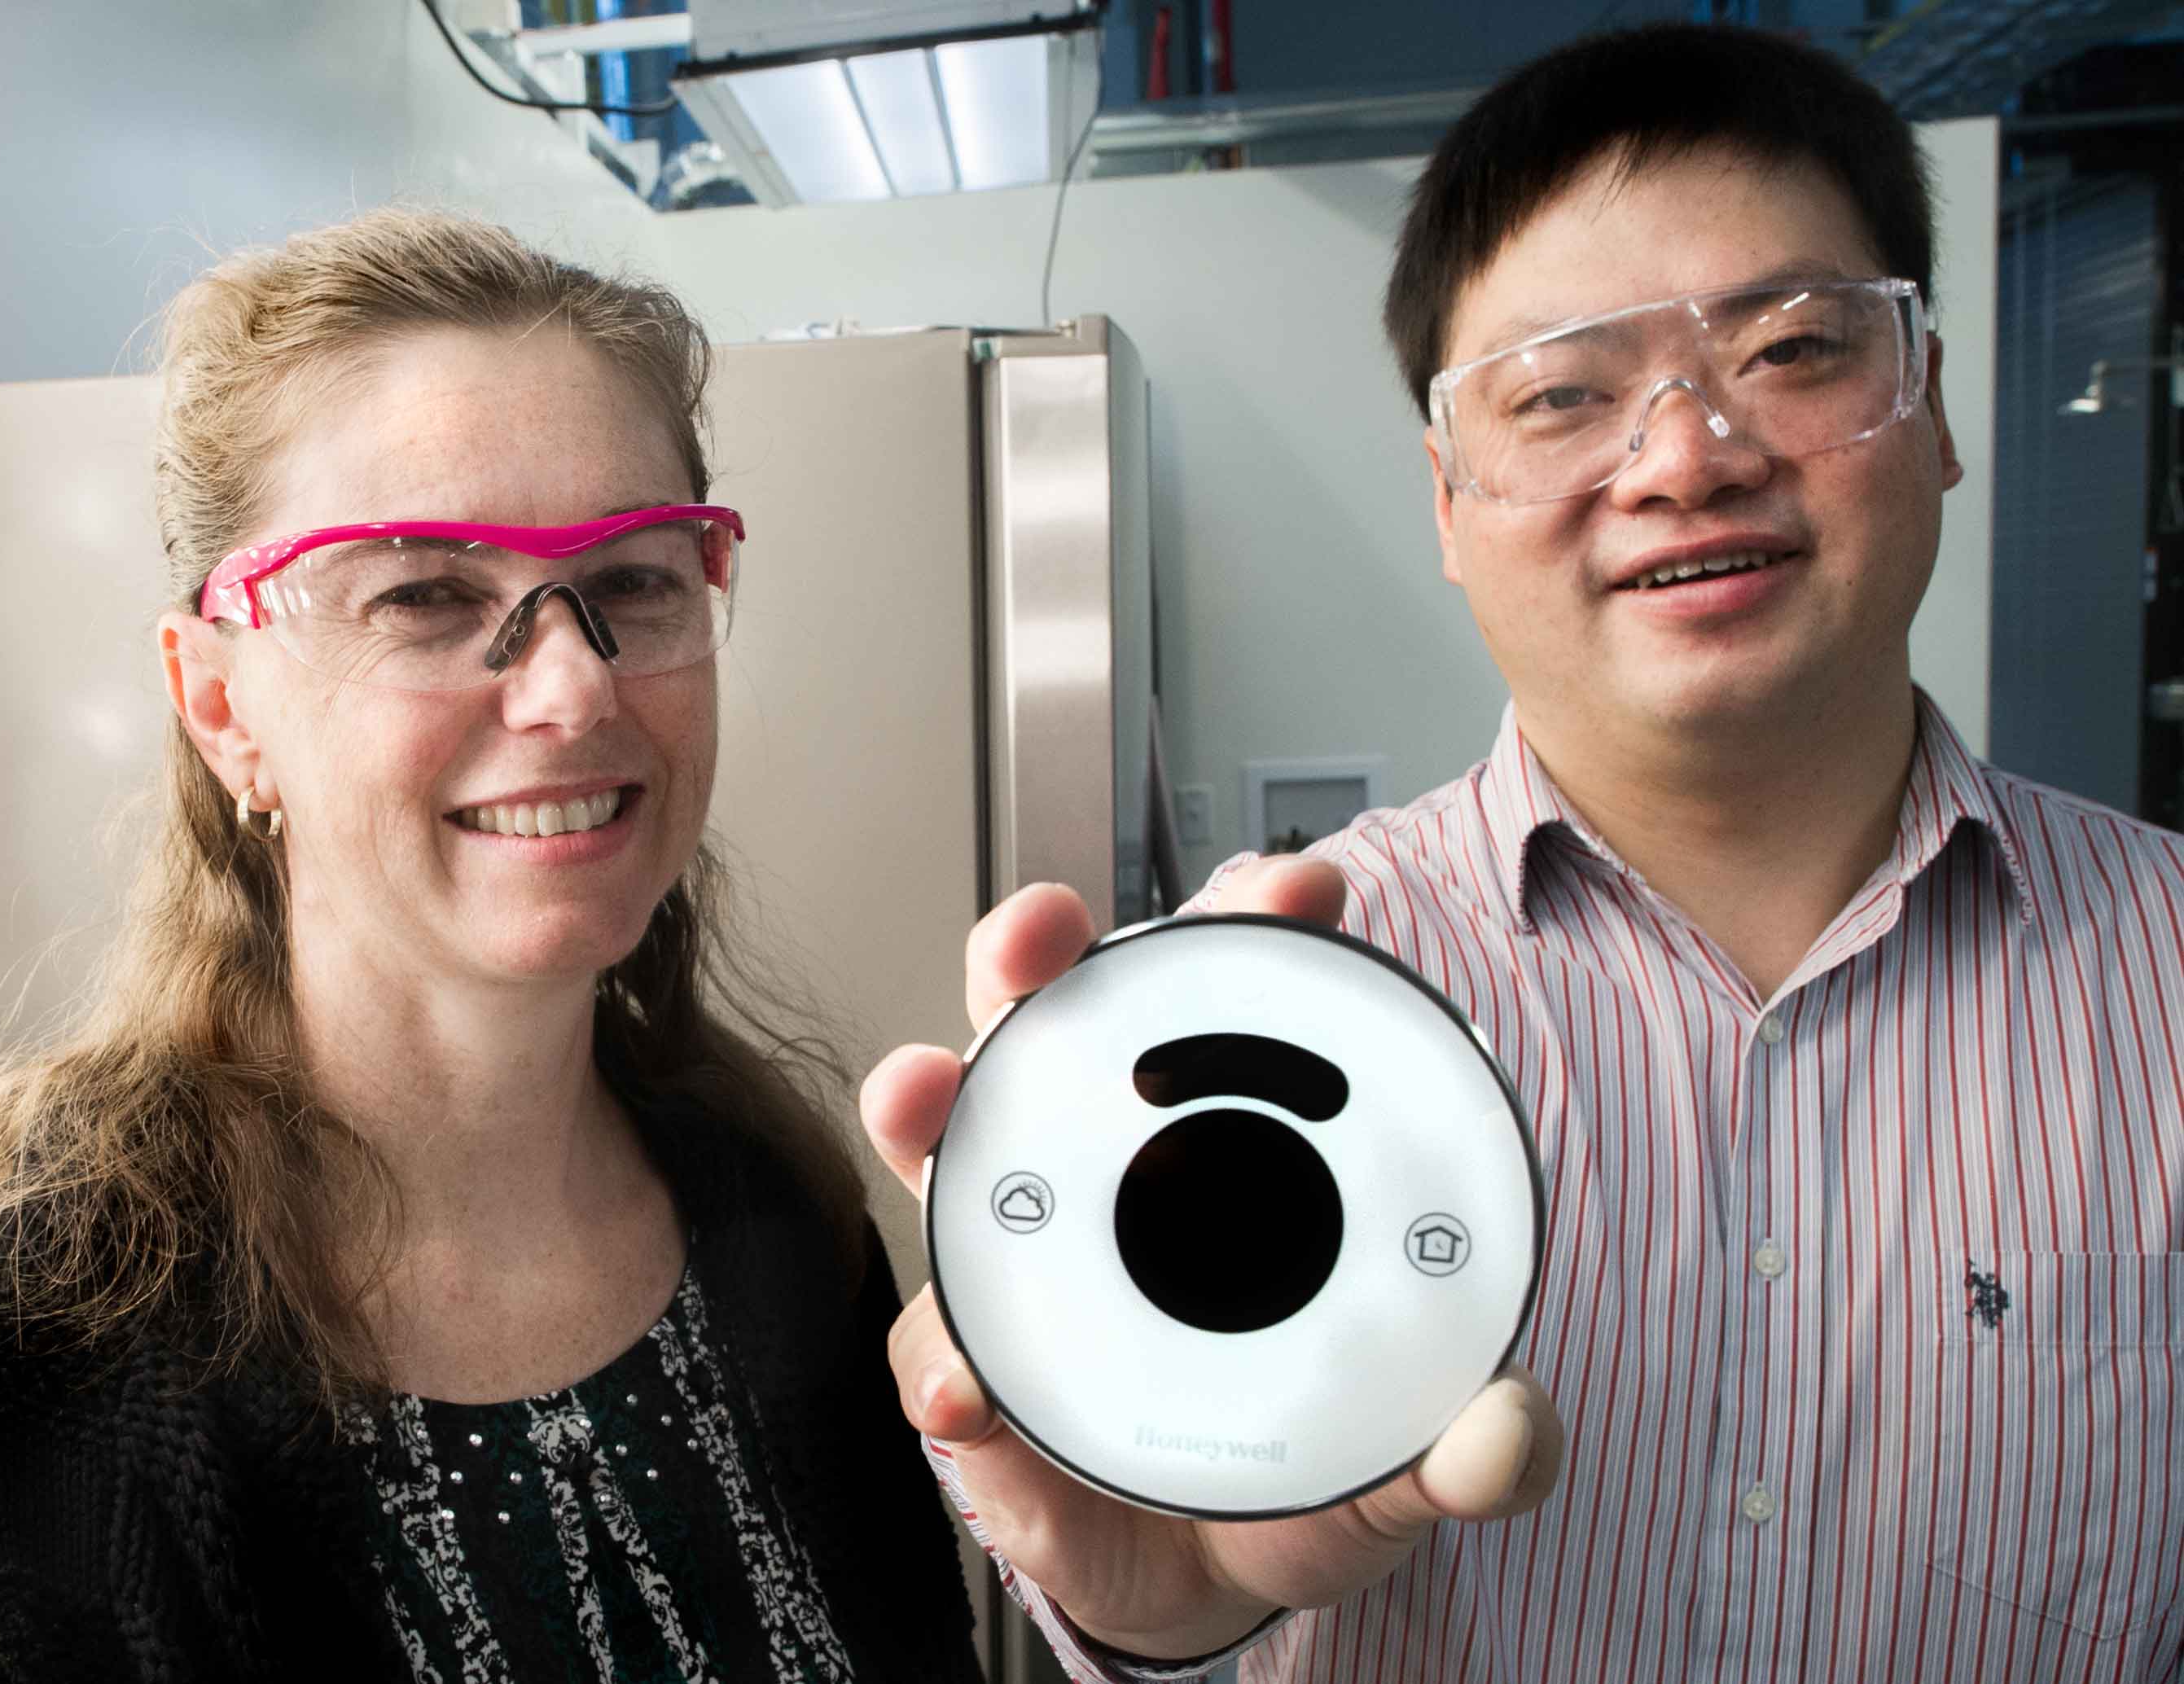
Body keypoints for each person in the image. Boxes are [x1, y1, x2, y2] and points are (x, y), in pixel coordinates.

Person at [0, 210, 1552, 1682]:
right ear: (221, 701)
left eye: (634, 579)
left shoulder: (775, 1227)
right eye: (424, 595)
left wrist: (1165, 1603)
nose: (571, 685)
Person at [864, 22, 2184, 1684]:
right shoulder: (1261, 1002)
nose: (1689, 454)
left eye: (1789, 349)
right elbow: (1178, 1571)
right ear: (1445, 498)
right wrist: (1168, 1602)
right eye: (1563, 393)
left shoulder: (2171, 976)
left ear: (1927, 404)